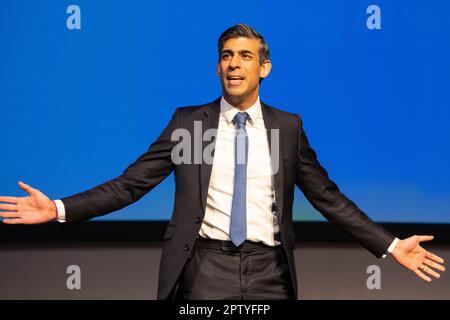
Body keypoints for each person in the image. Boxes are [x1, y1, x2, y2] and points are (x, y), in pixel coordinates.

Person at [0, 24, 445, 300]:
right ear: (218, 68)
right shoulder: (188, 124)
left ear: (264, 68)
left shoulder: (287, 128)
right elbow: (130, 184)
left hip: (271, 271)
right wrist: (58, 208)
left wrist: (388, 245)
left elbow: (328, 199)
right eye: (227, 56)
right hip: (204, 268)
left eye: (245, 56)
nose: (234, 64)